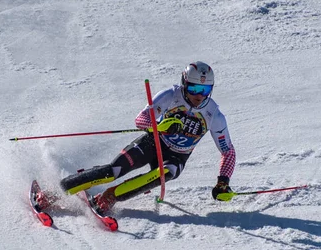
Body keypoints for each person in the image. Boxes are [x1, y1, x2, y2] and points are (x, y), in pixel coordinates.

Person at [53, 61, 236, 213]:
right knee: (113, 172)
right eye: (194, 88)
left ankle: (109, 197)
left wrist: (223, 182)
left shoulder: (214, 115)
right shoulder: (171, 95)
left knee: (166, 173)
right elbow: (140, 119)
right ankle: (53, 193)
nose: (198, 95)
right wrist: (158, 126)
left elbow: (228, 152)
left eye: (204, 90)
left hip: (177, 156)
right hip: (153, 142)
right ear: (184, 83)